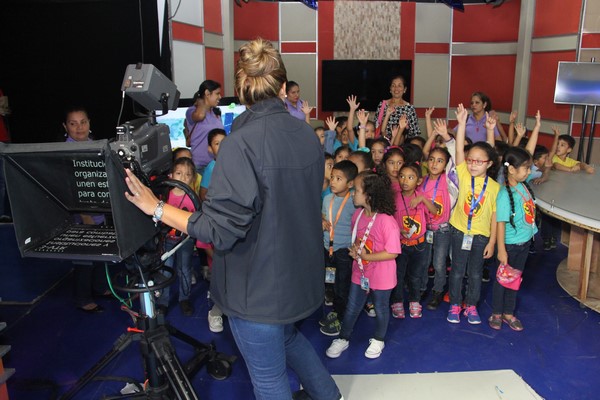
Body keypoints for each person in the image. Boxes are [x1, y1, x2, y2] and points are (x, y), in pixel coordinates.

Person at [124, 38, 342, 400]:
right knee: (289, 338)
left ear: (241, 89)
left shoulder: (241, 144)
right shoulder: (307, 133)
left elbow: (217, 229)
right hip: (299, 278)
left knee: (269, 380)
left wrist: (156, 207)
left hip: (258, 289)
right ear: (282, 86)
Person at [325, 170, 400, 359]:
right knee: (352, 306)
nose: (353, 194)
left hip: (381, 275)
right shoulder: (358, 215)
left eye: (357, 190)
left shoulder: (387, 221)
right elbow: (359, 238)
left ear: (369, 195)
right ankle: (343, 337)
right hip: (360, 271)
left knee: (381, 308)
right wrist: (355, 250)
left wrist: (367, 256)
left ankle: (379, 339)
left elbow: (392, 252)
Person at [447, 103, 500, 325]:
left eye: (479, 161)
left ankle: (471, 306)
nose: (473, 164)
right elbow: (459, 151)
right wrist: (461, 123)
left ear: (489, 164)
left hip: (480, 236)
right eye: (470, 160)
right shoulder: (463, 174)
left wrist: (492, 242)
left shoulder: (494, 187)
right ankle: (455, 304)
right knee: (457, 271)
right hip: (459, 230)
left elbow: (495, 217)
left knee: (476, 273)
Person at [63, 106, 110, 313]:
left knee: (100, 252)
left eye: (83, 122)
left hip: (99, 210)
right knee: (84, 258)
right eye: (73, 123)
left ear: (89, 123)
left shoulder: (96, 145)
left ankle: (99, 288)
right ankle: (82, 299)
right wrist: (84, 215)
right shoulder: (64, 151)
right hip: (80, 214)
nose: (79, 127)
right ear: (65, 127)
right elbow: (70, 188)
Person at [489, 147, 537, 331]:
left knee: (515, 280)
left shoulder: (523, 186)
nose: (529, 172)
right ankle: (496, 313)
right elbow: (500, 223)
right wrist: (501, 250)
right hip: (509, 246)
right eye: (526, 168)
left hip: (523, 244)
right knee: (502, 280)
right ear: (511, 169)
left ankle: (508, 313)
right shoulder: (503, 194)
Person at [389, 163, 437, 319]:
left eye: (410, 177)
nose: (405, 180)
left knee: (416, 275)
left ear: (418, 181)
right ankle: (397, 301)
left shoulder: (421, 196)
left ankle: (414, 301)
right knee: (399, 274)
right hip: (401, 244)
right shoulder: (395, 197)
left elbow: (435, 211)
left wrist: (422, 199)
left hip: (419, 244)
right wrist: (398, 230)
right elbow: (388, 220)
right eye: (402, 176)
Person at [319, 160, 358, 337]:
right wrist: (322, 220)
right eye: (332, 177)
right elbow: (323, 215)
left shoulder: (354, 202)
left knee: (343, 286)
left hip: (344, 251)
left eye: (338, 178)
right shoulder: (328, 198)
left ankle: (342, 318)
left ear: (350, 183)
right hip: (328, 248)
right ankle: (336, 310)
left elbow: (359, 224)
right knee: (332, 284)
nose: (333, 181)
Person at [157, 157, 197, 316]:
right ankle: (163, 302)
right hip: (166, 240)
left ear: (193, 178)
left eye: (188, 174)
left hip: (185, 240)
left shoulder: (193, 198)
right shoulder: (165, 195)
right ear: (171, 175)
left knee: (184, 269)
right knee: (165, 271)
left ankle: (184, 299)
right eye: (179, 173)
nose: (183, 178)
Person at [199, 127, 227, 332]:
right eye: (217, 143)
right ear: (210, 149)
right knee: (221, 273)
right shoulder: (212, 167)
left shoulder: (237, 165)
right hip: (218, 222)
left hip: (233, 223)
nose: (223, 147)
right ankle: (216, 311)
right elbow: (203, 194)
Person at [421, 146, 453, 310]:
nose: (434, 164)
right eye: (432, 160)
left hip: (442, 230)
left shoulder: (448, 180)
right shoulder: (422, 180)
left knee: (439, 263)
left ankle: (438, 290)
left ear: (446, 165)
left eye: (440, 161)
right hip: (425, 229)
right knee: (424, 262)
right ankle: (421, 288)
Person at [185, 80, 224, 175]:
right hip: (199, 166)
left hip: (215, 164)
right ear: (207, 93)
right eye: (217, 93)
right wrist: (201, 101)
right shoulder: (192, 111)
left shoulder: (215, 114)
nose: (220, 97)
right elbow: (200, 116)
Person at [373, 75, 420, 141]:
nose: (396, 88)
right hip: (384, 143)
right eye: (393, 85)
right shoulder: (383, 105)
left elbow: (414, 132)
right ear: (390, 89)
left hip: (403, 144)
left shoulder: (410, 108)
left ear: (405, 89)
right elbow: (376, 126)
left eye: (399, 86)